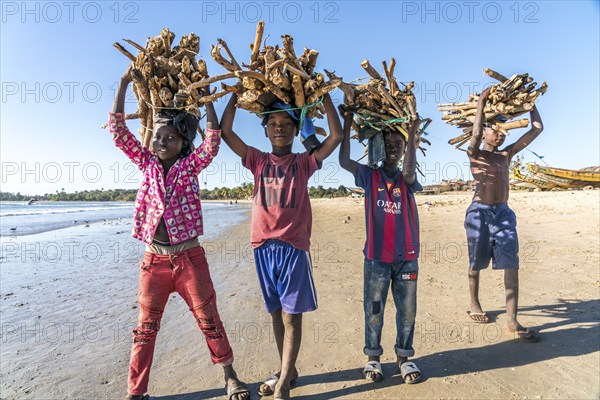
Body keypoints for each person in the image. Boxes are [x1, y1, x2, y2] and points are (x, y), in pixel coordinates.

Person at [108, 65, 249, 400]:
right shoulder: (146, 164)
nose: (161, 141)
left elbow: (212, 140)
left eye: (170, 137)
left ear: (184, 142)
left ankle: (230, 376)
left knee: (209, 318)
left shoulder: (190, 167)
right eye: (157, 136)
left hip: (189, 258)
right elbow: (117, 133)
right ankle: (136, 392)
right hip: (153, 262)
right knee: (145, 329)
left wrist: (206, 98)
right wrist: (124, 82)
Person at [220, 92, 343, 400]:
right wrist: (236, 94)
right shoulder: (258, 160)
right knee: (276, 313)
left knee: (292, 317)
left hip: (292, 248)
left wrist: (323, 94)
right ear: (264, 129)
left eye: (287, 123)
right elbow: (225, 132)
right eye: (273, 123)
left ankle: (285, 381)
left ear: (295, 128)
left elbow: (337, 135)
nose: (279, 128)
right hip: (262, 248)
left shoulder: (303, 164)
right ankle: (288, 369)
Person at [338, 108, 423, 384]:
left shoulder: (407, 179)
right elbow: (343, 160)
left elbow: (409, 168)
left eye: (398, 145)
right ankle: (373, 356)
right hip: (376, 258)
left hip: (407, 257)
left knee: (407, 309)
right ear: (376, 146)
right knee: (374, 309)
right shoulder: (369, 176)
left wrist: (411, 133)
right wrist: (349, 122)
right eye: (387, 145)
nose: (393, 150)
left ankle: (404, 357)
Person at [465, 86, 544, 342]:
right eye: (494, 130)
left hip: (503, 214)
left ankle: (512, 319)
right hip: (479, 213)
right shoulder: (474, 154)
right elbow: (475, 134)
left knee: (512, 263)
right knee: (476, 263)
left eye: (503, 131)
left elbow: (537, 129)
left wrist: (530, 104)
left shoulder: (505, 155)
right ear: (485, 131)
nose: (499, 135)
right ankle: (474, 303)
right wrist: (481, 102)